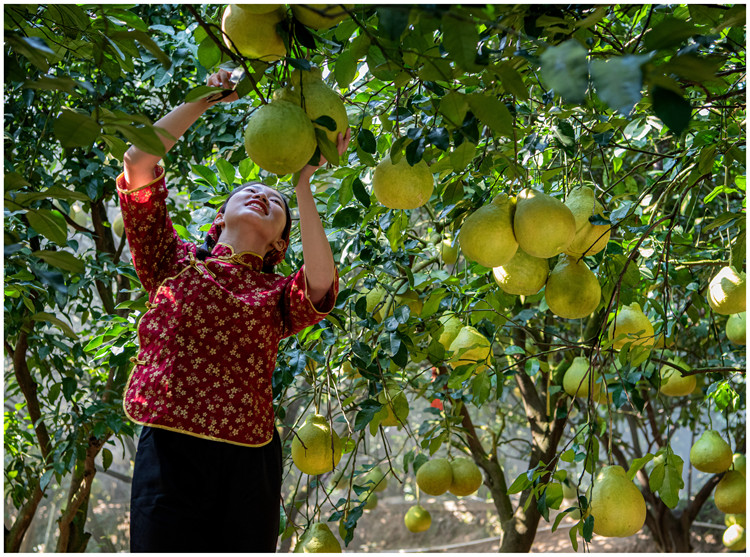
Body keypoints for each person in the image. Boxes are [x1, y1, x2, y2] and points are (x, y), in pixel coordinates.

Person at [119, 69, 350, 553]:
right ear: (220, 214)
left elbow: (322, 283)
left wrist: (303, 186)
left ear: (280, 244)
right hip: (169, 448)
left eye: (277, 204)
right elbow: (139, 163)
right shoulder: (171, 260)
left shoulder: (276, 296)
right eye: (250, 191)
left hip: (249, 460)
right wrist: (204, 98)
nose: (264, 195)